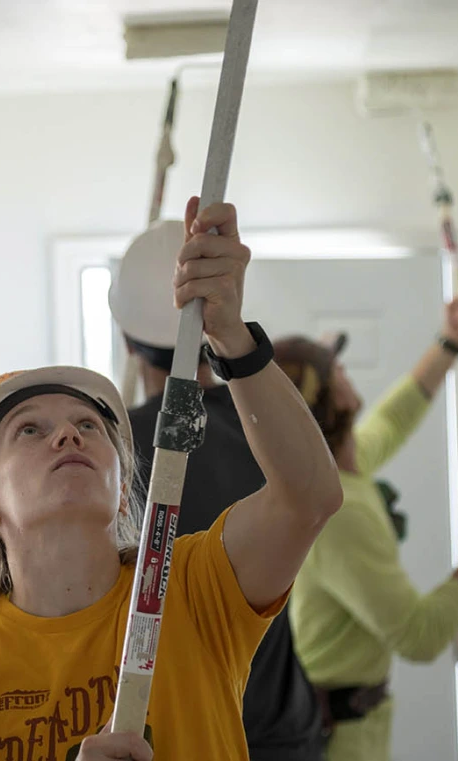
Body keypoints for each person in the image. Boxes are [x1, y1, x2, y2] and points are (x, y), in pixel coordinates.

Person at [0, 198, 343, 761]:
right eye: (30, 431)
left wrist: (230, 335)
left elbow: (309, 499)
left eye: (87, 425)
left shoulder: (195, 593)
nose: (69, 436)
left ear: (121, 480)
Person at [278, 297, 458, 761]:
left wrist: (448, 344)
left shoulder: (338, 471)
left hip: (353, 724)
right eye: (334, 369)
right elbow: (419, 636)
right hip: (338, 741)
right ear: (326, 399)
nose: (344, 370)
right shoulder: (338, 512)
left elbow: (391, 422)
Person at [108, 218, 328, 761]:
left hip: (168, 735)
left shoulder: (106, 450)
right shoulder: (268, 432)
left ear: (126, 338)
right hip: (277, 731)